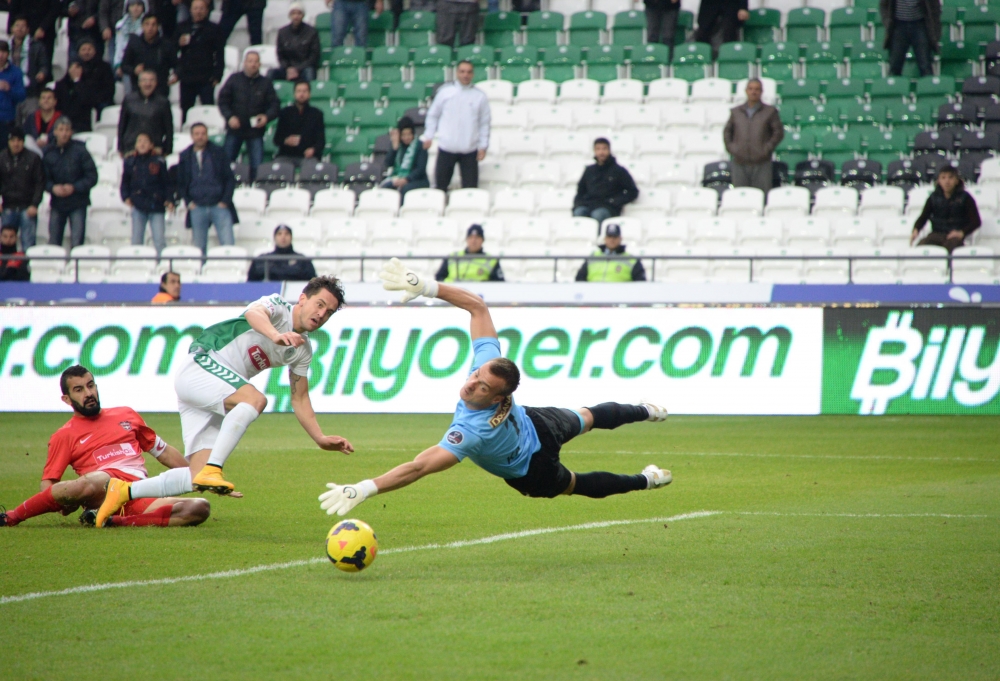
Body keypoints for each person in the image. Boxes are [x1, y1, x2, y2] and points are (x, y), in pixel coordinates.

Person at [318, 259, 671, 518]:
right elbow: (477, 306)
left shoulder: (469, 433)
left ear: (499, 397)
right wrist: (426, 287)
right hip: (534, 438)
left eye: (481, 386)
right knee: (587, 421)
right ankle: (647, 440)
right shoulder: (488, 368)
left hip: (533, 455)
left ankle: (646, 459)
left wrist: (365, 488)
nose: (470, 383)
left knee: (577, 470)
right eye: (476, 375)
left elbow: (418, 467)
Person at [95, 279, 355, 524]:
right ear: (303, 299)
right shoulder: (278, 306)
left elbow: (300, 397)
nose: (321, 314)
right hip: (203, 363)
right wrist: (275, 335)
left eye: (329, 312)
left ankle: (124, 491)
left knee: (195, 476)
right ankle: (214, 468)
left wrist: (319, 438)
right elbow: (254, 314)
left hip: (214, 388)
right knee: (255, 399)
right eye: (319, 304)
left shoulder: (302, 350)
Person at [0, 365, 210, 529]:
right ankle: (11, 517)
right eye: (79, 390)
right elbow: (49, 483)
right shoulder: (64, 435)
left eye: (91, 385)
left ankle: (111, 520)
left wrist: (200, 477)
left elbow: (164, 452)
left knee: (199, 507)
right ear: (66, 399)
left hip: (137, 492)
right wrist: (64, 504)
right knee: (99, 480)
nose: (88, 393)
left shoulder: (126, 415)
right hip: (102, 490)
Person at [421, 60, 490, 191]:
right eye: (462, 72)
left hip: (469, 150)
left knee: (470, 190)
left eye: (469, 72)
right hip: (446, 148)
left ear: (473, 74)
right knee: (440, 188)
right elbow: (433, 115)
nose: (465, 75)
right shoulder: (445, 93)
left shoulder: (480, 96)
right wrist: (429, 135)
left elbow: (484, 123)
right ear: (457, 73)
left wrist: (483, 146)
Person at [218, 51, 280, 181]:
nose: (253, 64)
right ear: (244, 63)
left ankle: (254, 188)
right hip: (234, 129)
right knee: (226, 163)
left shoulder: (266, 83)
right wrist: (229, 117)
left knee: (257, 166)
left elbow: (274, 105)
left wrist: (266, 117)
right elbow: (223, 101)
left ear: (260, 64)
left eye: (256, 61)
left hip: (255, 131)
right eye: (250, 61)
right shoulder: (234, 79)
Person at [176, 122, 237, 253]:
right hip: (197, 206)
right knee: (199, 248)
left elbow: (229, 178)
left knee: (228, 245)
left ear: (207, 135)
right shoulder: (185, 156)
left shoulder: (219, 152)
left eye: (203, 133)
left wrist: (225, 201)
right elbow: (181, 182)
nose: (200, 136)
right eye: (197, 134)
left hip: (219, 205)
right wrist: (189, 202)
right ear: (191, 136)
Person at [44, 117, 98, 248]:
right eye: (61, 129)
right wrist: (52, 188)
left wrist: (74, 187)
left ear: (71, 132)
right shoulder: (48, 152)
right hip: (57, 203)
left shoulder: (81, 150)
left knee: (77, 244)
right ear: (55, 132)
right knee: (54, 243)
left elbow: (92, 176)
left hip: (78, 203)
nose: (64, 133)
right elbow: (42, 178)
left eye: (67, 130)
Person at [723, 78, 783, 194]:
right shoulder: (736, 112)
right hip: (739, 162)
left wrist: (766, 149)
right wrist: (733, 149)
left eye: (756, 89)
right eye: (750, 89)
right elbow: (727, 132)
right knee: (740, 197)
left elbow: (778, 133)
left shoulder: (770, 112)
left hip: (762, 163)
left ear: (761, 91)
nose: (753, 92)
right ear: (746, 91)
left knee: (761, 197)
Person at [122, 132, 174, 254]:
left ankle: (161, 263)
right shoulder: (130, 161)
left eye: (145, 141)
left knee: (159, 240)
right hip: (138, 205)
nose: (142, 144)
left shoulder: (159, 161)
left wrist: (169, 199)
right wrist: (125, 197)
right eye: (139, 141)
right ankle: (136, 263)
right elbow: (125, 182)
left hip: (157, 205)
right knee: (136, 240)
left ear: (151, 145)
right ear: (136, 145)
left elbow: (167, 183)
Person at [910, 165, 980, 252]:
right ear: (939, 181)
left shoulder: (965, 198)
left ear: (957, 180)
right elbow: (924, 216)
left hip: (954, 236)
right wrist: (916, 229)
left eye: (950, 177)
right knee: (921, 248)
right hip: (936, 234)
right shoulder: (933, 197)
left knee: (948, 249)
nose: (947, 181)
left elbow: (976, 221)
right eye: (943, 178)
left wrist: (962, 232)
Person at [175, 0, 223, 122]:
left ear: (207, 11)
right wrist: (178, 43)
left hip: (206, 77)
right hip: (187, 77)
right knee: (185, 110)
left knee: (208, 109)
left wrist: (218, 75)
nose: (198, 11)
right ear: (190, 10)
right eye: (195, 8)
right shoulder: (182, 27)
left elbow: (219, 54)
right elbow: (172, 50)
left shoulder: (214, 29)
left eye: (201, 8)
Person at [573, 138, 639, 223]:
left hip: (608, 207)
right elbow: (580, 191)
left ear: (609, 150)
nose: (601, 152)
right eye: (598, 149)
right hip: (589, 204)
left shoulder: (618, 170)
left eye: (604, 149)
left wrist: (615, 201)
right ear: (594, 151)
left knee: (598, 214)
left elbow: (632, 191)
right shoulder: (589, 170)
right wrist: (579, 204)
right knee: (579, 212)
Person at [0, 126, 44, 251]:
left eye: (19, 140)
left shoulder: (34, 158)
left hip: (27, 207)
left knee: (28, 244)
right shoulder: (1, 158)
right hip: (8, 207)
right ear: (8, 142)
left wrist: (35, 204)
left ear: (23, 142)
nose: (16, 144)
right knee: (6, 245)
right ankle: (6, 264)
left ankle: (26, 264)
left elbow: (40, 183)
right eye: (13, 140)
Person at [117, 70, 173, 156]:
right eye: (144, 80)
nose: (148, 84)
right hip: (131, 149)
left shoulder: (163, 102)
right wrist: (121, 148)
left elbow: (169, 129)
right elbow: (122, 125)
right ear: (139, 83)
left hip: (154, 150)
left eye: (151, 80)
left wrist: (167, 150)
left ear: (156, 83)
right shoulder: (129, 100)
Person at [121, 14, 176, 98]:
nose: (150, 28)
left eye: (153, 25)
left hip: (160, 91)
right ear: (142, 26)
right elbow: (124, 66)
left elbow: (176, 64)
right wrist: (134, 70)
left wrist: (176, 75)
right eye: (147, 24)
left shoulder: (166, 44)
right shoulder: (134, 43)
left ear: (158, 27)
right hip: (138, 91)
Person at [881, 0, 940, 78]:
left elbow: (934, 6)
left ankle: (928, 85)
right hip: (898, 26)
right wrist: (887, 21)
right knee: (895, 65)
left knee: (925, 65)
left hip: (920, 24)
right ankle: (894, 86)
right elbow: (884, 5)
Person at [575, 223, 646, 282]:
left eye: (615, 237)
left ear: (620, 239)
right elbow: (580, 278)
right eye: (609, 236)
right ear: (605, 239)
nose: (612, 240)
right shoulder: (593, 257)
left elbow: (640, 283)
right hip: (593, 293)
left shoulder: (631, 260)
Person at [274, 80, 325, 161]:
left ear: (309, 94)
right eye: (299, 91)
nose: (301, 94)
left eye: (304, 91)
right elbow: (277, 139)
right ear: (294, 94)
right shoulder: (285, 112)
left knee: (310, 165)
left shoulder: (317, 114)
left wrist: (313, 149)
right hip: (287, 155)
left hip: (308, 157)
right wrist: (285, 141)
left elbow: (321, 141)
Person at [435, 223, 504, 282]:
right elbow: (439, 278)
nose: (473, 241)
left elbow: (498, 283)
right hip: (453, 291)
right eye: (471, 237)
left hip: (477, 293)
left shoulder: (491, 260)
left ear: (482, 240)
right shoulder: (452, 257)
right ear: (466, 239)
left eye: (477, 237)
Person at [247, 224, 317, 281]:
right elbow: (250, 283)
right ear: (274, 238)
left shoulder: (302, 260)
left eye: (286, 234)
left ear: (291, 237)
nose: (283, 237)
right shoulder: (262, 259)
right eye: (279, 234)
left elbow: (313, 284)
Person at [380, 116, 428, 196]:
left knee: (405, 189)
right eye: (403, 135)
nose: (406, 138)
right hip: (398, 178)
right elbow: (388, 163)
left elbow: (420, 169)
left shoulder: (420, 146)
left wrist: (406, 179)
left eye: (409, 134)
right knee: (385, 188)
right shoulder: (397, 145)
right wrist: (394, 149)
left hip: (418, 180)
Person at [272, 2, 320, 82]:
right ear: (290, 15)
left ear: (303, 15)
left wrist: (298, 68)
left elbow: (314, 56)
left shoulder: (311, 32)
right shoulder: (282, 32)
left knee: (310, 72)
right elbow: (280, 54)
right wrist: (288, 68)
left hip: (304, 68)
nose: (296, 16)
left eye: (299, 13)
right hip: (287, 69)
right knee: (271, 73)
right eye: (293, 13)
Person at [10, 16, 51, 97]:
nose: (19, 29)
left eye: (23, 26)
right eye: (17, 25)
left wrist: (42, 72)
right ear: (12, 29)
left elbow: (44, 65)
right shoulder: (5, 46)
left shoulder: (37, 45)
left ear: (28, 30)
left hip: (28, 84)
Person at [112, 0, 145, 96]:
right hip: (126, 63)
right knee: (129, 93)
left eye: (139, 5)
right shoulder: (120, 25)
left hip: (142, 62)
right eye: (132, 5)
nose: (136, 8)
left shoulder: (148, 23)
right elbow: (119, 44)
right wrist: (118, 64)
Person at [77, 39, 115, 115]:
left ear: (94, 51)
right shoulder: (75, 68)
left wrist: (94, 100)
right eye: (83, 49)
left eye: (89, 49)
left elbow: (110, 89)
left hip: (101, 102)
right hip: (81, 103)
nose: (86, 52)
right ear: (78, 52)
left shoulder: (104, 67)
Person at [0, 41, 27, 145]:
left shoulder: (15, 72)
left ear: (8, 54)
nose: (0, 55)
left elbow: (22, 95)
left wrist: (9, 89)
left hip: (7, 120)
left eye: (3, 52)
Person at [23, 88, 61, 153]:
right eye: (43, 98)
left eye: (49, 98)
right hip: (34, 151)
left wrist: (48, 139)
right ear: (39, 101)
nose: (46, 100)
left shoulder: (61, 119)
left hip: (54, 151)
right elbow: (25, 132)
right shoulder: (32, 117)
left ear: (55, 101)